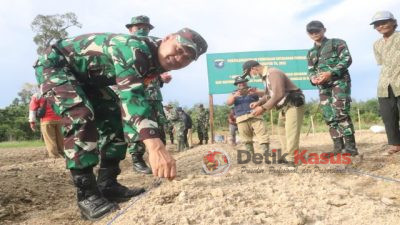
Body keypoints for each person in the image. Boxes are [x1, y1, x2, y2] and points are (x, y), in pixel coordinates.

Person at [33, 28, 207, 220]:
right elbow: (131, 97)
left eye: (188, 57)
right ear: (167, 38)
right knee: (81, 114)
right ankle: (87, 194)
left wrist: (146, 140)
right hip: (56, 66)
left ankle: (108, 184)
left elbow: (134, 107)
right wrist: (155, 146)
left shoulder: (156, 63)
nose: (179, 57)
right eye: (179, 49)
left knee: (114, 114)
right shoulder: (135, 50)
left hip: (87, 79)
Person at [124, 15, 172, 174]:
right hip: (135, 96)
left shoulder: (153, 48)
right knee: (138, 125)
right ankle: (137, 160)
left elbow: (157, 71)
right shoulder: (124, 46)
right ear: (131, 29)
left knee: (158, 126)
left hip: (155, 97)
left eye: (146, 28)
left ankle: (160, 158)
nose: (143, 30)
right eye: (139, 27)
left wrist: (162, 78)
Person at [306, 20, 358, 156]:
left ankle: (351, 148)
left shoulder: (337, 43)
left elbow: (347, 59)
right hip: (323, 87)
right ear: (308, 34)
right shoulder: (311, 52)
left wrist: (331, 73)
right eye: (311, 32)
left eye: (317, 30)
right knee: (329, 116)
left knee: (341, 113)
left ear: (324, 30)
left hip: (339, 82)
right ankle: (338, 147)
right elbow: (311, 70)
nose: (314, 33)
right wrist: (313, 78)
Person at [242, 60, 305, 165]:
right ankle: (287, 155)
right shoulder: (265, 76)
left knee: (291, 132)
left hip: (293, 103)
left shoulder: (273, 73)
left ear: (253, 68)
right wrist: (258, 102)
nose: (251, 75)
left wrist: (262, 108)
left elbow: (279, 94)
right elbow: (269, 95)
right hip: (285, 106)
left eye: (249, 73)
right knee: (282, 131)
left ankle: (292, 159)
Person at [370, 11, 400, 155]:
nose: (381, 26)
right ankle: (395, 144)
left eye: (384, 22)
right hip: (384, 84)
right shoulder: (376, 44)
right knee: (388, 115)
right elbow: (382, 63)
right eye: (377, 24)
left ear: (393, 22)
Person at [226, 76, 270, 154]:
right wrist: (234, 96)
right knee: (246, 138)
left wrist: (255, 92)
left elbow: (266, 94)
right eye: (239, 83)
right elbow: (229, 103)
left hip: (255, 115)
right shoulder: (233, 93)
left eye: (243, 82)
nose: (241, 84)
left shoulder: (253, 89)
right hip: (241, 118)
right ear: (237, 84)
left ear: (246, 82)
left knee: (262, 134)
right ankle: (251, 154)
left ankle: (266, 152)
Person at [28, 93, 64, 158]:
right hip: (60, 119)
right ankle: (64, 155)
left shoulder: (37, 95)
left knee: (50, 140)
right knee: (61, 139)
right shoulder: (58, 91)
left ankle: (54, 156)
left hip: (46, 120)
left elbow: (32, 110)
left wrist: (32, 122)